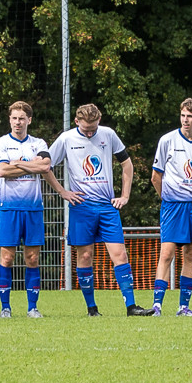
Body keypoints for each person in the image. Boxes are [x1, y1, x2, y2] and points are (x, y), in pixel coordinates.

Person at [52, 104, 152, 317]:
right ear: (76, 121)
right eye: (86, 129)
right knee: (85, 255)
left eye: (93, 128)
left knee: (120, 254)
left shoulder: (108, 134)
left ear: (99, 121)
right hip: (81, 206)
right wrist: (62, 191)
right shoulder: (66, 138)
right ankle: (92, 309)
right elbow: (45, 166)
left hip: (107, 207)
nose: (90, 133)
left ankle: (131, 307)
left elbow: (127, 164)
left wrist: (125, 196)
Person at [150, 97, 192, 316]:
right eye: (183, 115)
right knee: (167, 253)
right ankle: (157, 306)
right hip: (173, 205)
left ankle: (183, 307)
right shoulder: (167, 140)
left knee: (190, 254)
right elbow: (155, 177)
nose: (185, 120)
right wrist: (167, 198)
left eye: (190, 116)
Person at [0, 101, 53, 317]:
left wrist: (16, 163)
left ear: (29, 120)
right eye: (14, 118)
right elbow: (1, 171)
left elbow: (45, 166)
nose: (18, 122)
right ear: (9, 120)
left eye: (22, 118)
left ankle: (32, 308)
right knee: (7, 258)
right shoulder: (1, 143)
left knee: (32, 259)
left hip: (33, 208)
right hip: (9, 208)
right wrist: (31, 166)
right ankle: (5, 308)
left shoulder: (38, 143)